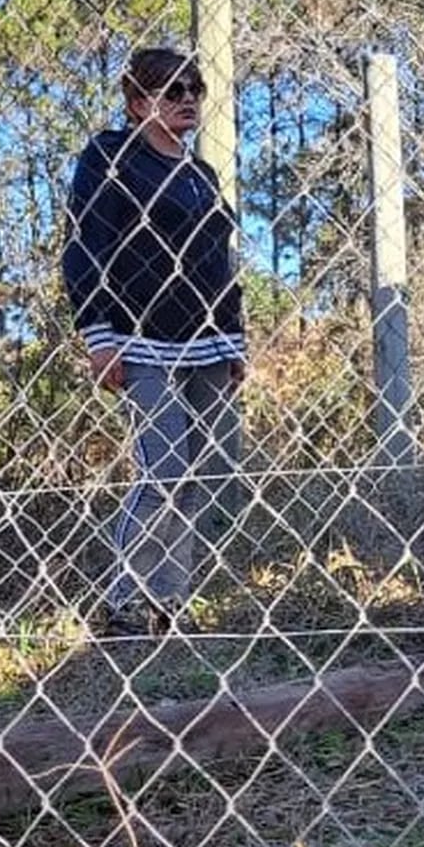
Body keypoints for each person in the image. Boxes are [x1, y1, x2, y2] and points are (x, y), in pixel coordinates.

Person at [63, 47, 244, 637]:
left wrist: (234, 337)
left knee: (204, 471)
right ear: (138, 103)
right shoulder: (112, 157)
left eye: (194, 89)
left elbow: (221, 261)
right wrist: (98, 334)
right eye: (170, 91)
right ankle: (123, 603)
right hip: (140, 340)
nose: (187, 99)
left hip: (209, 344)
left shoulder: (201, 175)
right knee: (161, 469)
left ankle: (169, 601)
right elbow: (87, 243)